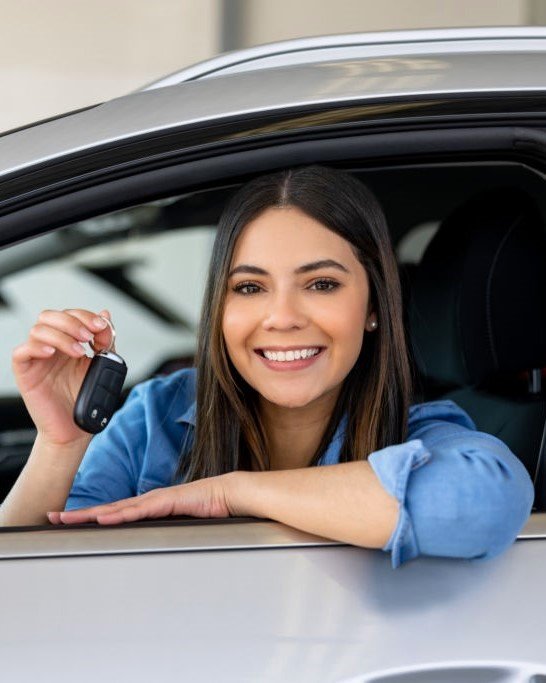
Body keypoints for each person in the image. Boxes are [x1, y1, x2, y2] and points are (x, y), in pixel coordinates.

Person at [0, 166, 534, 567]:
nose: (281, 318)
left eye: (321, 284)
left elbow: (481, 504)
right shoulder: (155, 415)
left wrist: (230, 491)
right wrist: (61, 445)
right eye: (250, 287)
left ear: (374, 307)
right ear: (220, 309)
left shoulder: (420, 432)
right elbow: (36, 577)